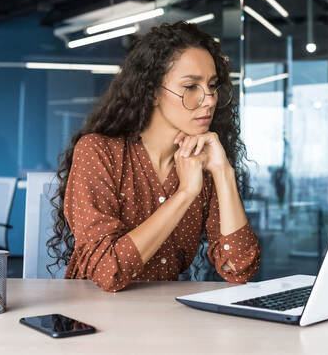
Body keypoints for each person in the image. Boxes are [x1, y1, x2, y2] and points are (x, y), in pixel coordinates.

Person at [47, 21, 261, 292]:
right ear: (153, 92)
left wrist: (223, 172)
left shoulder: (204, 162)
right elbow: (106, 271)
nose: (209, 99)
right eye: (191, 87)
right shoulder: (98, 152)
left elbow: (239, 268)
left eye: (212, 85)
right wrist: (184, 194)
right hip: (92, 318)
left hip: (167, 318)